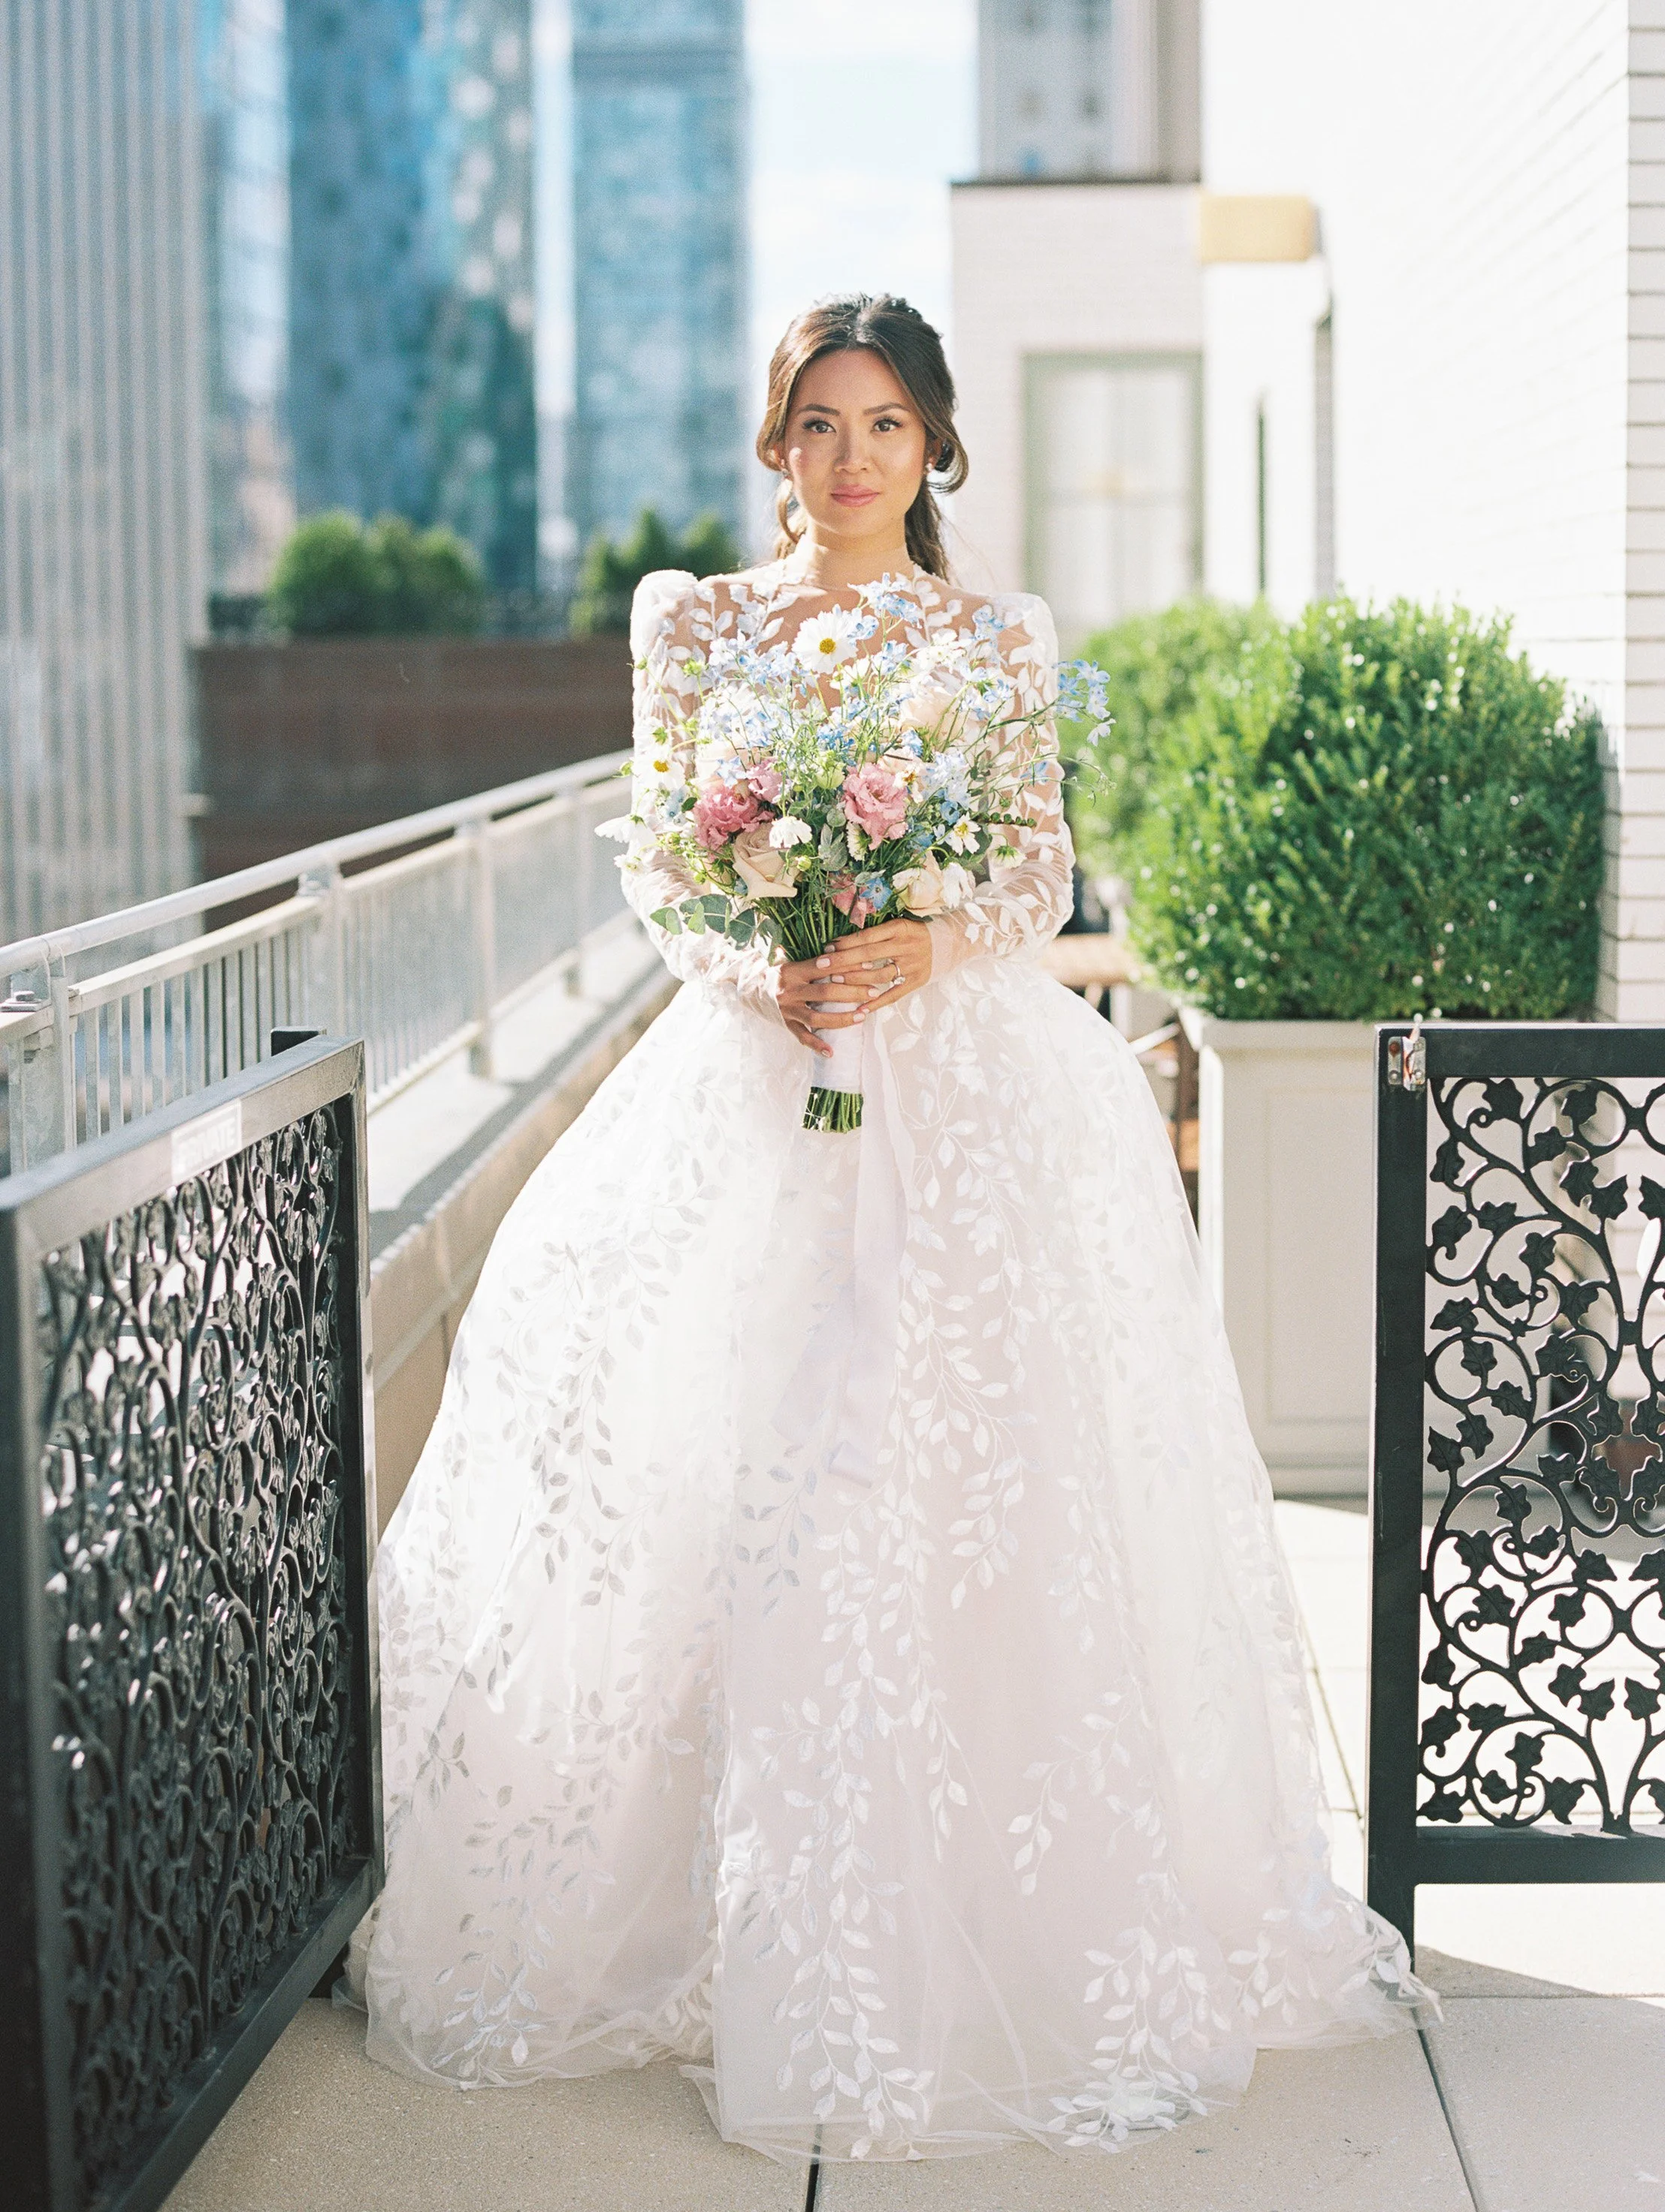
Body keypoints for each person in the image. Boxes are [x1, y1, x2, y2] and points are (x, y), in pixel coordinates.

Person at [352, 292, 1431, 2165]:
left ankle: (986, 1910)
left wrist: (927, 937)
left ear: (937, 444)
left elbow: (1029, 866)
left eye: (886, 425)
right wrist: (756, 963)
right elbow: (660, 861)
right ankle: (710, 1915)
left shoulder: (995, 635)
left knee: (964, 1480)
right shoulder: (689, 617)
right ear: (776, 444)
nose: (851, 460)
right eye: (818, 424)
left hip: (966, 1104)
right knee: (728, 1475)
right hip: (756, 1082)